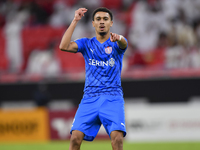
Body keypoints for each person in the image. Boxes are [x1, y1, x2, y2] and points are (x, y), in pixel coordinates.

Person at [59, 7, 128, 150]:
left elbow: (124, 44)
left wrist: (119, 38)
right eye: (98, 19)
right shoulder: (86, 43)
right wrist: (75, 20)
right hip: (90, 98)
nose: (101, 22)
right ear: (93, 23)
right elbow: (63, 46)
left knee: (117, 140)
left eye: (105, 19)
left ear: (111, 23)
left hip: (112, 97)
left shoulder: (116, 43)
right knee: (75, 139)